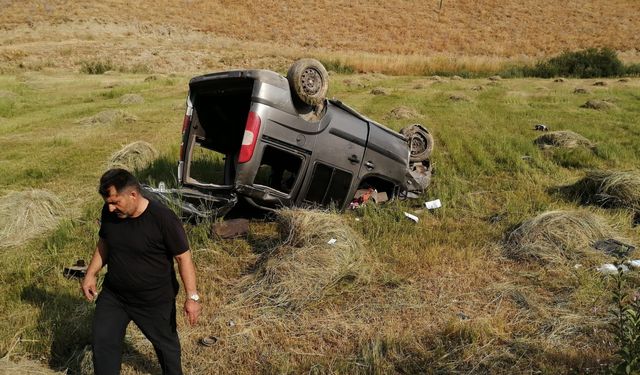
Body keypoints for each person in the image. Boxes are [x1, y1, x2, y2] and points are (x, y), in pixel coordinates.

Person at [81, 168, 202, 375]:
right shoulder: (110, 213)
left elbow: (183, 257)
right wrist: (91, 273)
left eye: (115, 202)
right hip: (115, 296)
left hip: (153, 300)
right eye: (107, 203)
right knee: (103, 343)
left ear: (133, 194)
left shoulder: (163, 218)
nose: (110, 209)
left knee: (167, 349)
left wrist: (192, 297)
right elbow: (104, 243)